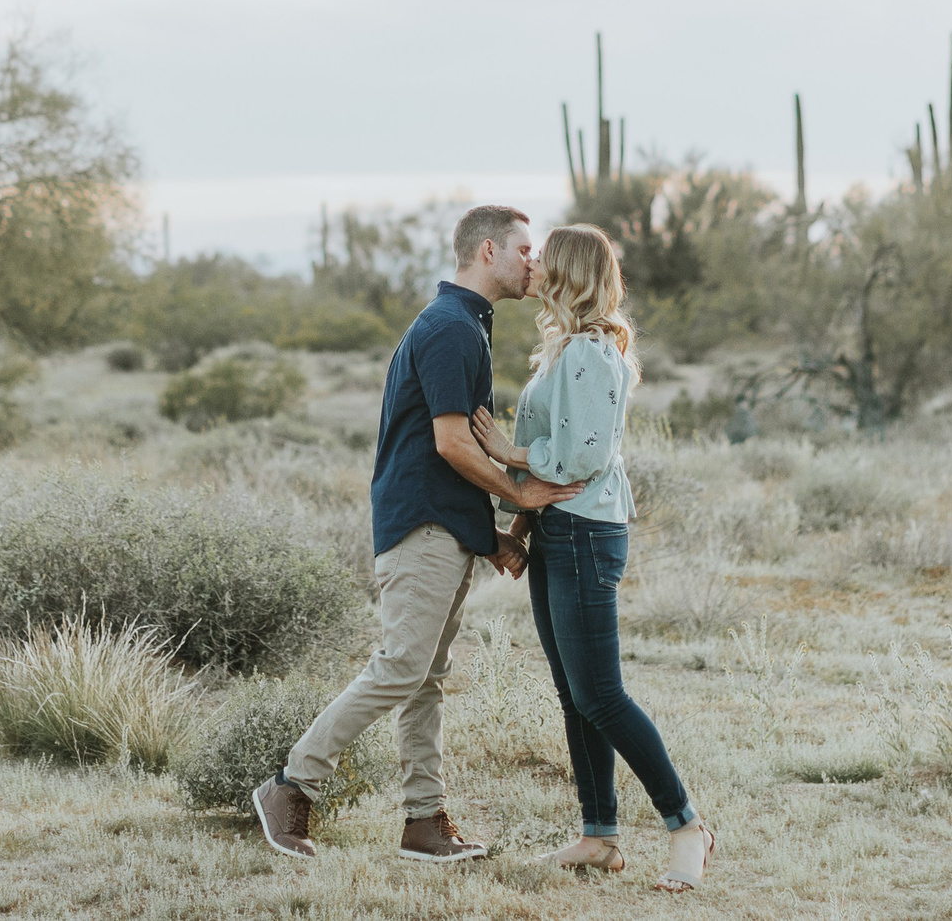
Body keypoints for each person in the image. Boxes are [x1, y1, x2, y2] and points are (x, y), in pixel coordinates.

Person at [252, 205, 584, 863]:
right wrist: (518, 493)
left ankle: (424, 823)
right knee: (402, 665)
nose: (533, 262)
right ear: (487, 250)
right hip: (421, 530)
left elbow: (445, 458)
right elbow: (452, 443)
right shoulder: (452, 329)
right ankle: (291, 785)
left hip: (444, 526)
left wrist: (490, 535)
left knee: (425, 676)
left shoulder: (463, 325)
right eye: (523, 249)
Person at [473, 223, 714, 891]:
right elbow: (557, 457)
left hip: (584, 532)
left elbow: (581, 458)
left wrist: (506, 452)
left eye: (544, 257)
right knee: (575, 695)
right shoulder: (565, 348)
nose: (534, 264)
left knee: (602, 694)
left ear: (570, 270)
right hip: (559, 529)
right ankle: (600, 834)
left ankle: (687, 826)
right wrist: (520, 526)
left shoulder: (587, 353)